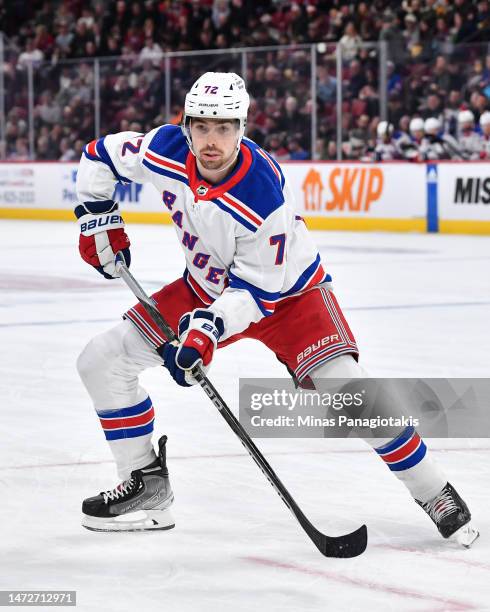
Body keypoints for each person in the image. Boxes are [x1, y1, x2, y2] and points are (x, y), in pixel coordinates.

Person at [75, 72, 478, 547]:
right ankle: (145, 482)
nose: (211, 140)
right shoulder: (164, 150)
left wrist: (205, 333)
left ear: (242, 128)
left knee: (352, 390)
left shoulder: (261, 194)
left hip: (288, 296)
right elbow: (98, 156)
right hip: (204, 288)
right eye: (202, 126)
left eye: (224, 128)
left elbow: (258, 292)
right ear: (185, 126)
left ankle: (434, 491)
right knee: (101, 360)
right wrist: (96, 220)